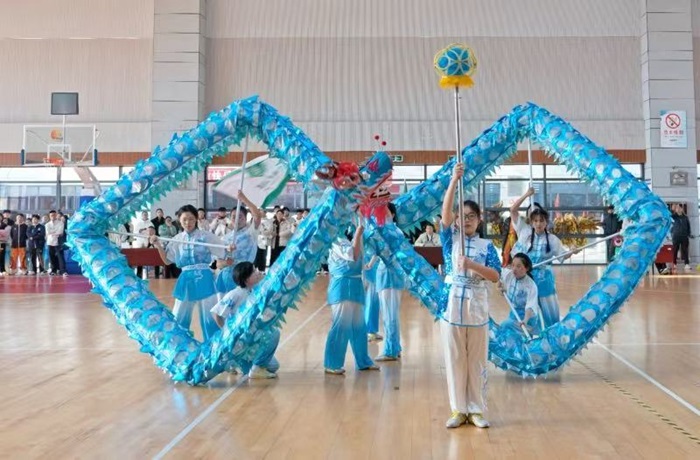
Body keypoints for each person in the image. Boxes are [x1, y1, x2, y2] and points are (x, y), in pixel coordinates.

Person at [440, 162, 501, 429]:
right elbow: (445, 214)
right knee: (455, 358)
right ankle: (458, 409)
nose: (466, 220)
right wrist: (454, 180)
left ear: (479, 220)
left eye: (471, 216)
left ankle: (476, 409)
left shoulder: (487, 246)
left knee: (476, 359)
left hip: (477, 307)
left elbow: (495, 276)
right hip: (452, 305)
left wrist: (472, 265)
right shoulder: (450, 239)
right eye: (462, 215)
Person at [150, 204, 229, 341]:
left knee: (209, 316)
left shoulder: (206, 236)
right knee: (179, 315)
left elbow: (223, 252)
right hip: (185, 279)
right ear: (179, 220)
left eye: (191, 219)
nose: (188, 222)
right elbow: (167, 261)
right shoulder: (176, 239)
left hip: (204, 278)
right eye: (184, 219)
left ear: (196, 219)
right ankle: (178, 344)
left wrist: (229, 248)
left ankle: (214, 345)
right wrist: (157, 245)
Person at [510, 188, 575, 327]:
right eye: (535, 220)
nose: (538, 223)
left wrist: (572, 251)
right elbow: (513, 210)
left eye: (541, 220)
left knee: (548, 313)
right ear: (531, 221)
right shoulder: (523, 230)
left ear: (546, 222)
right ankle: (525, 332)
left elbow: (562, 255)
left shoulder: (552, 239)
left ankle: (550, 334)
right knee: (524, 310)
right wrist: (527, 194)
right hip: (525, 278)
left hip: (544, 281)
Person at [324, 223, 379, 375]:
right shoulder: (336, 241)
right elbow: (353, 255)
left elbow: (360, 261)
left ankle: (363, 361)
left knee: (359, 327)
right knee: (341, 326)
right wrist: (358, 234)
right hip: (342, 286)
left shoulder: (346, 240)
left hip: (355, 285)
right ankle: (332, 363)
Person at [211, 261, 280, 379]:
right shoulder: (235, 294)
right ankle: (242, 361)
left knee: (273, 366)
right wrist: (226, 332)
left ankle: (238, 362)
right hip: (241, 338)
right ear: (246, 279)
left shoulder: (254, 292)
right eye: (253, 271)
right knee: (274, 332)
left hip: (250, 337)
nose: (257, 272)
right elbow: (216, 313)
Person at [215, 191, 263, 298]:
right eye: (233, 217)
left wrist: (244, 199)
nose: (237, 219)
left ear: (245, 218)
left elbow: (257, 216)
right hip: (226, 278)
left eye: (240, 216)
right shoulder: (225, 238)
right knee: (225, 306)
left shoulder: (251, 233)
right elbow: (218, 264)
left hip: (245, 277)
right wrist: (226, 263)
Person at [374, 203, 405, 362]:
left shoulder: (394, 232)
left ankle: (390, 350)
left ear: (392, 214)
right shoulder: (385, 230)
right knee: (389, 314)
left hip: (390, 276)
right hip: (385, 275)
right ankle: (395, 347)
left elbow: (387, 252)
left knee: (389, 314)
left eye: (385, 212)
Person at [499, 253, 540, 335]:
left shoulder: (531, 286)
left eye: (518, 266)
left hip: (527, 319)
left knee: (505, 325)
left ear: (526, 268)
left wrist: (525, 320)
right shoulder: (509, 275)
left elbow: (530, 306)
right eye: (513, 265)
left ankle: (529, 331)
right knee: (509, 334)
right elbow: (497, 274)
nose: (514, 269)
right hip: (514, 313)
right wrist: (500, 285)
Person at [670, 203, 691, 272]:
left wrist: (689, 234)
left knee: (685, 251)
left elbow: (688, 226)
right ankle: (674, 264)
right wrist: (672, 210)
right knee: (675, 250)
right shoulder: (673, 217)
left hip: (684, 236)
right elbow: (668, 217)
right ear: (675, 209)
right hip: (676, 236)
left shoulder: (685, 217)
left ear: (682, 209)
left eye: (679, 208)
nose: (678, 209)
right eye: (677, 208)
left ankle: (687, 264)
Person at [46, 210, 67, 277]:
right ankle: (53, 270)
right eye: (51, 215)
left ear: (56, 215)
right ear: (49, 216)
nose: (53, 216)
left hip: (58, 242)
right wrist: (55, 232)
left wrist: (53, 232)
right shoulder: (47, 224)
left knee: (60, 257)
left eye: (54, 215)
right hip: (50, 242)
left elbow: (60, 232)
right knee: (52, 257)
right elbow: (48, 232)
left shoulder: (61, 223)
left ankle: (63, 271)